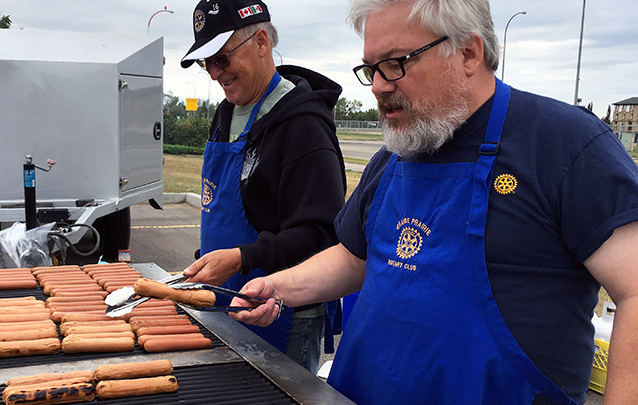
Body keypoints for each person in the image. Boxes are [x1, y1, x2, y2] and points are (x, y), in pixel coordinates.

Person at [229, 0, 638, 404]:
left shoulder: (564, 146)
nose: (377, 85)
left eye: (395, 63)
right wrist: (279, 287)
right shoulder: (394, 155)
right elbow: (354, 258)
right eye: (371, 68)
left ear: (468, 52)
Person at [179, 0, 346, 374]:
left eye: (221, 58)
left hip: (283, 316)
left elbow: (321, 235)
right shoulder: (226, 112)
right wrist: (209, 257)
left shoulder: (303, 126)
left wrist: (241, 257)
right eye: (207, 63)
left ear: (260, 42)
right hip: (226, 298)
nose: (214, 73)